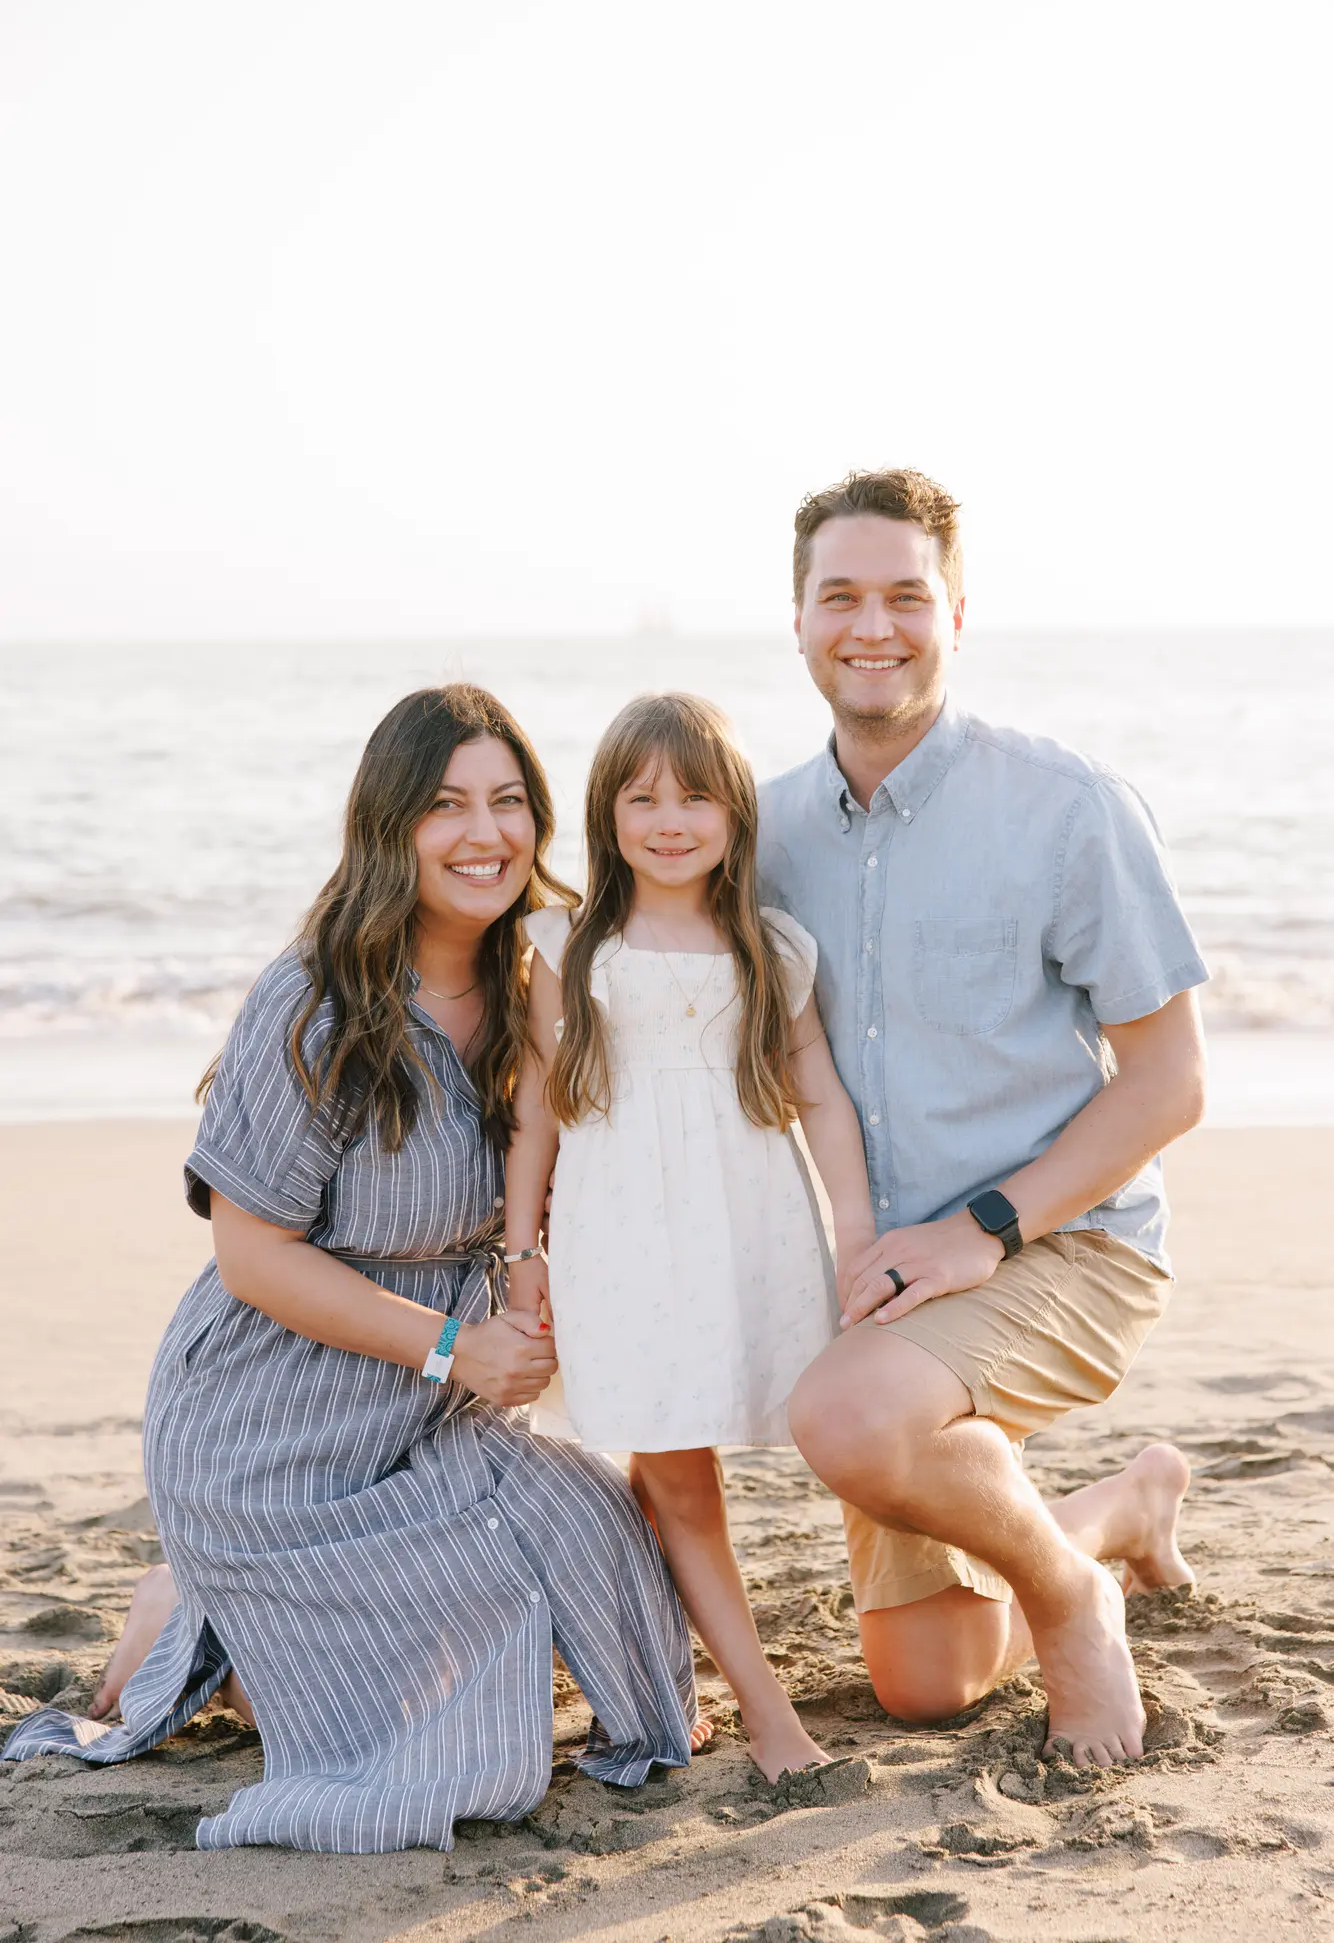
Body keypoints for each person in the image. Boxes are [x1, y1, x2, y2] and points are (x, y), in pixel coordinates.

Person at [3, 684, 699, 1851]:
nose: (484, 834)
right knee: (444, 1748)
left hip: (437, 1417)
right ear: (389, 827)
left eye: (508, 802)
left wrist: (536, 1285)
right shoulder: (318, 1004)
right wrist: (449, 1342)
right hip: (274, 1424)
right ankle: (191, 1614)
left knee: (607, 1569)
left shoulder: (544, 981)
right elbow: (249, 1252)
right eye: (445, 806)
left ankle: (215, 1615)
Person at [760, 470, 1209, 1770]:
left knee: (842, 1421)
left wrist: (984, 1227)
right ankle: (1119, 1511)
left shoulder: (1064, 808)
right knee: (925, 1686)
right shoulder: (765, 832)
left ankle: (1070, 1603)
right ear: (795, 619)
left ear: (956, 611)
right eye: (838, 596)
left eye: (906, 596)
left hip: (1065, 1247)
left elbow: (1169, 1081)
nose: (872, 627)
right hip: (894, 1287)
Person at [503, 691, 876, 1781]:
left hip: (743, 1235)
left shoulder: (770, 947)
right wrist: (524, 1259)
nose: (670, 818)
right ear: (604, 811)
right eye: (642, 794)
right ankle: (767, 1715)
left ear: (735, 812)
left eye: (697, 794)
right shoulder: (566, 946)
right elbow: (536, 1113)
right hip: (620, 1247)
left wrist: (853, 1237)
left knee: (830, 1437)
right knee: (674, 1471)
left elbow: (821, 1102)